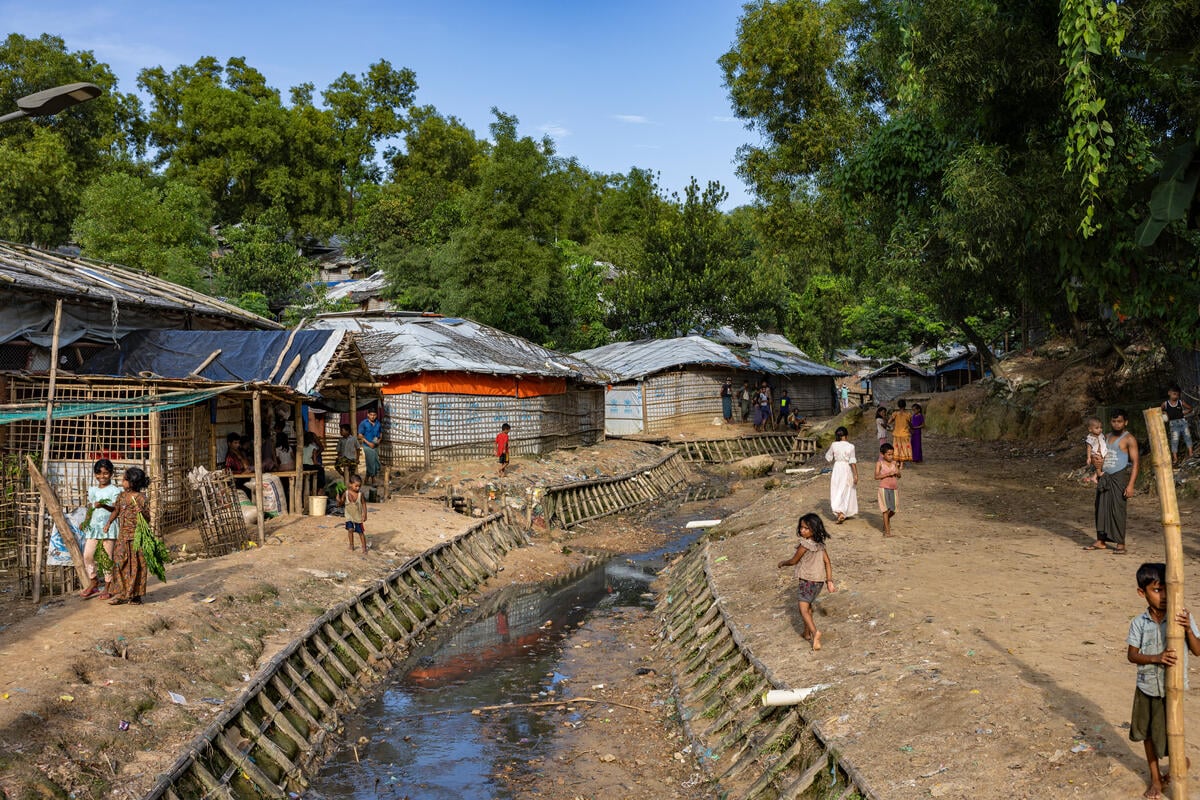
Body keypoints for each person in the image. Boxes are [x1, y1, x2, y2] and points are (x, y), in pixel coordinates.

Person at [1126, 562, 1200, 799]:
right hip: (1146, 688)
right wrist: (1157, 658)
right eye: (1157, 590)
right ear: (1142, 593)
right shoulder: (1139, 623)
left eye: (1167, 589)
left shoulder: (1182, 617)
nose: (1164, 596)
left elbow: (1198, 650)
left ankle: (1179, 764)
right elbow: (1132, 655)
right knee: (1147, 735)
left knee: (1171, 734)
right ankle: (1156, 779)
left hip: (1172, 691)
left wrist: (1188, 629)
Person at [777, 513, 836, 651]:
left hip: (808, 581)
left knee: (803, 609)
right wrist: (829, 581)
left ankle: (815, 633)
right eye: (801, 527)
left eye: (806, 528)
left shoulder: (804, 544)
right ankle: (806, 632)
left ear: (813, 529)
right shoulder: (820, 545)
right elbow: (827, 563)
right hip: (818, 582)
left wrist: (783, 563)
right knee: (808, 605)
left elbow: (794, 561)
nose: (802, 530)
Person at [1085, 410, 1139, 554]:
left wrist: (1131, 484)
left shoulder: (1129, 439)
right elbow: (1098, 454)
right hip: (1104, 476)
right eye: (1114, 421)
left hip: (1119, 477)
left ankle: (1120, 544)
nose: (1116, 424)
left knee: (1118, 510)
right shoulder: (1105, 437)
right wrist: (1096, 471)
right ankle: (1101, 541)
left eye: (1119, 421)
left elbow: (1135, 463)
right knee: (1100, 508)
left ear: (1125, 422)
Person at [103, 466, 151, 606]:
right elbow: (116, 510)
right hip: (122, 537)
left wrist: (141, 511)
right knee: (119, 563)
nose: (122, 481)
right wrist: (109, 522)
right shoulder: (121, 496)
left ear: (132, 482)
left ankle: (135, 595)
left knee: (137, 567)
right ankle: (121, 593)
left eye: (124, 479)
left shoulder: (141, 499)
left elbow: (148, 519)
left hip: (137, 539)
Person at [80, 458, 120, 600]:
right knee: (88, 555)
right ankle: (94, 581)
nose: (102, 476)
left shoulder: (115, 490)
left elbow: (116, 508)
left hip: (108, 526)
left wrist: (103, 506)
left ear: (111, 474)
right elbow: (91, 508)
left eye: (105, 473)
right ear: (95, 474)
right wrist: (85, 521)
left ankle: (108, 586)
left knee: (106, 558)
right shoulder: (93, 490)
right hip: (94, 526)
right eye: (99, 473)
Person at [825, 427, 858, 524]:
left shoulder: (834, 445)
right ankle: (842, 511)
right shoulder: (851, 446)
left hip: (837, 468)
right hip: (846, 468)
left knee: (836, 490)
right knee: (846, 490)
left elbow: (828, 457)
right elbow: (852, 461)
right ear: (846, 435)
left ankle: (840, 511)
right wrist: (856, 474)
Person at [1162, 385, 1194, 466]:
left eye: (1177, 395)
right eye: (1174, 394)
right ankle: (1175, 459)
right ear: (1169, 393)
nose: (1176, 396)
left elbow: (1190, 408)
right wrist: (1164, 413)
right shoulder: (1165, 404)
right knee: (1174, 441)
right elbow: (1159, 411)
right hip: (1173, 424)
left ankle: (1191, 454)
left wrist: (1183, 412)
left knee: (1187, 437)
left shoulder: (1180, 402)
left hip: (1183, 422)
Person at [874, 443, 901, 537]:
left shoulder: (894, 463)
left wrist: (897, 473)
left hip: (894, 488)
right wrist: (888, 474)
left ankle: (886, 521)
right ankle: (887, 532)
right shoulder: (879, 463)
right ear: (882, 454)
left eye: (892, 454)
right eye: (889, 454)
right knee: (885, 510)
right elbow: (876, 476)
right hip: (884, 488)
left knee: (893, 510)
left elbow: (899, 475)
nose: (891, 456)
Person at [340, 474, 368, 555]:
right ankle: (351, 545)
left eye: (359, 486)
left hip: (358, 517)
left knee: (360, 532)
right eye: (356, 486)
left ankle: (364, 547)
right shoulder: (346, 493)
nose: (358, 488)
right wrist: (338, 499)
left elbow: (364, 504)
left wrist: (365, 514)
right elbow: (341, 502)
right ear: (350, 484)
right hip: (349, 516)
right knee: (350, 530)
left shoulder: (360, 495)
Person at [357, 407, 383, 486]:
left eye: (374, 415)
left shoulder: (378, 423)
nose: (372, 416)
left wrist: (378, 441)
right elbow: (360, 435)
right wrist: (368, 443)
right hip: (367, 446)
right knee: (371, 462)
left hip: (375, 445)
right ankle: (373, 479)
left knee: (374, 461)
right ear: (368, 415)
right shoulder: (363, 423)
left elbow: (381, 434)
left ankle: (366, 478)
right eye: (371, 415)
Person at [1081, 416, 1107, 484]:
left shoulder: (1101, 435)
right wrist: (1089, 457)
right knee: (1098, 461)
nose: (1100, 429)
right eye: (1097, 428)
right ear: (1090, 429)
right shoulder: (1090, 438)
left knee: (1104, 461)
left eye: (1101, 427)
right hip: (1095, 454)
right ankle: (1098, 474)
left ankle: (1094, 476)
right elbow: (1089, 449)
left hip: (1102, 452)